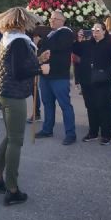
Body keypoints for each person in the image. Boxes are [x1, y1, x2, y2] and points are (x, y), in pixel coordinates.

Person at [0, 7, 50, 206]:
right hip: (13, 94)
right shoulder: (20, 41)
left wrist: (37, 60)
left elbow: (16, 64)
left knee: (10, 137)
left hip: (2, 91)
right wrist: (40, 68)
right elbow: (19, 71)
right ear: (22, 23)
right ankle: (12, 189)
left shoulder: (8, 38)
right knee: (16, 141)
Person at [34, 10, 77, 145]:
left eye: (55, 19)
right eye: (51, 18)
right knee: (47, 103)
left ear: (62, 21)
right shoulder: (50, 33)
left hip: (58, 75)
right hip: (45, 74)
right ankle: (47, 129)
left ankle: (70, 133)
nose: (52, 20)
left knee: (64, 104)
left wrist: (41, 42)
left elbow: (56, 47)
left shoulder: (66, 32)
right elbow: (43, 51)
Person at [73, 22, 111, 145]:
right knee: (90, 107)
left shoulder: (110, 46)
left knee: (103, 107)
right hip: (87, 81)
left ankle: (106, 134)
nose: (95, 32)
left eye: (98, 30)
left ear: (104, 31)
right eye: (93, 30)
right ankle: (93, 132)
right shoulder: (86, 44)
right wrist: (78, 38)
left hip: (103, 82)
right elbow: (75, 49)